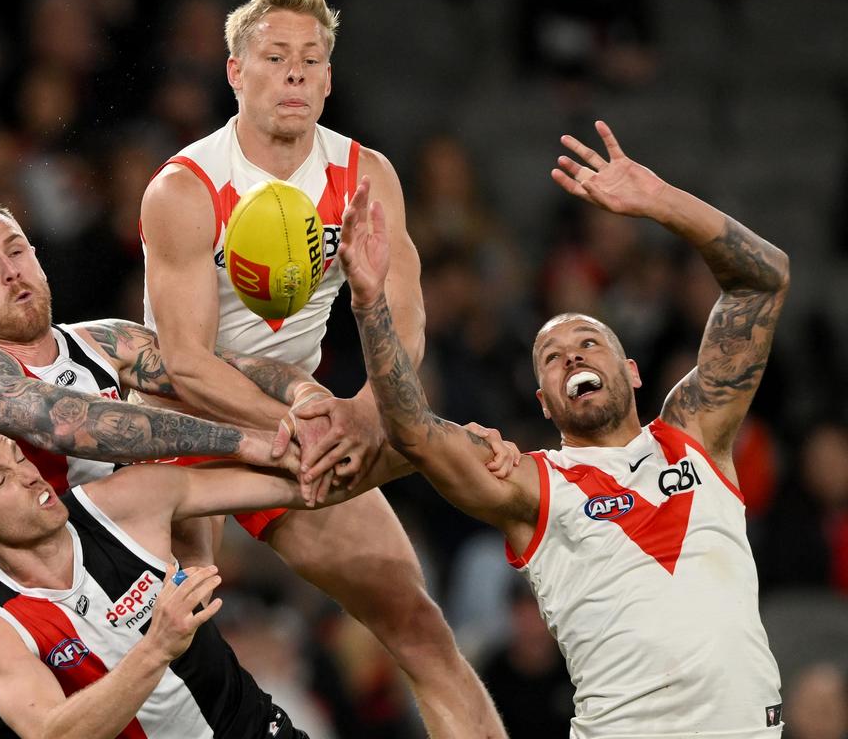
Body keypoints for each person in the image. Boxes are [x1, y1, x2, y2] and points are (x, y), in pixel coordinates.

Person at [337, 120, 790, 738]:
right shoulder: (532, 484)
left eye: (588, 342)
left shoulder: (697, 433)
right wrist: (369, 302)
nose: (572, 356)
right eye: (552, 357)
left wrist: (662, 203)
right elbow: (413, 430)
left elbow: (763, 280)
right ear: (544, 404)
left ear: (632, 372)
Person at [138, 0, 506, 737]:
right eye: (276, 57)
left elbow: (405, 310)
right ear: (237, 72)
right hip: (185, 432)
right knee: (177, 662)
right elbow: (184, 363)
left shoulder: (364, 176)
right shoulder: (186, 187)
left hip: (301, 422)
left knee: (419, 626)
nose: (296, 74)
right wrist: (298, 422)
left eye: (311, 59)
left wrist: (368, 407)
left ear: (330, 79)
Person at [0, 202, 330, 735]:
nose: (10, 270)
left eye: (17, 250)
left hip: (123, 581)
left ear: (38, 259)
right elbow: (72, 425)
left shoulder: (102, 341)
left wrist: (308, 398)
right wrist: (249, 441)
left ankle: (194, 566)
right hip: (31, 619)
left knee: (195, 394)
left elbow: (212, 370)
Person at [0, 425, 409, 739]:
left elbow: (300, 484)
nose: (27, 476)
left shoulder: (127, 500)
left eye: (18, 458)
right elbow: (52, 734)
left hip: (254, 729)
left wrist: (424, 448)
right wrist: (158, 647)